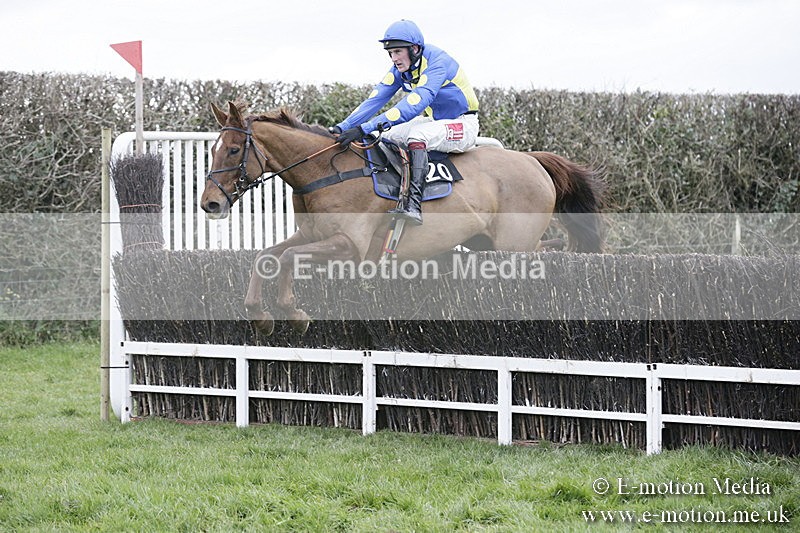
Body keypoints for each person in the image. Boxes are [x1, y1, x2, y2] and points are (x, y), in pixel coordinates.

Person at [330, 19, 480, 225]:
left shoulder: (437, 63)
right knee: (383, 135)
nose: (394, 58)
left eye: (398, 52)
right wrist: (342, 127)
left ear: (414, 49)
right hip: (434, 121)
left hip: (463, 124)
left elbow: (414, 104)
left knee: (416, 135)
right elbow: (375, 99)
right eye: (390, 53)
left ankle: (414, 206)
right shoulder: (402, 68)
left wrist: (364, 127)